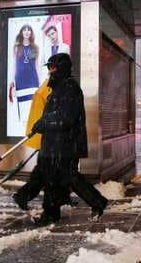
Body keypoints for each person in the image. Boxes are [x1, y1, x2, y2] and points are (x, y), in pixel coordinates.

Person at [30, 53, 108, 225]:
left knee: (67, 177)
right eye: (49, 67)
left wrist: (44, 123)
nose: (50, 71)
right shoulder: (58, 87)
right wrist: (42, 123)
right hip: (57, 143)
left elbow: (66, 117)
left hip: (66, 143)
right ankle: (52, 213)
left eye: (53, 67)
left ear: (62, 68)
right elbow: (54, 114)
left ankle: (95, 202)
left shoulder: (69, 88)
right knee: (56, 178)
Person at [12, 79, 72, 213]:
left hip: (48, 134)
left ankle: (62, 196)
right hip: (47, 135)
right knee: (44, 170)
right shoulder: (50, 88)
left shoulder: (51, 86)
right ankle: (23, 196)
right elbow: (52, 114)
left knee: (56, 168)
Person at [9, 24, 40, 122]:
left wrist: (40, 81)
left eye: (29, 30)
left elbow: (36, 65)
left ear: (31, 33)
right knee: (22, 105)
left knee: (32, 103)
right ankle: (23, 125)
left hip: (32, 79)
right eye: (24, 30)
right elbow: (14, 65)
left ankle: (32, 124)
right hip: (20, 80)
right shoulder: (17, 47)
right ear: (21, 32)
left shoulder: (34, 47)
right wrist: (12, 80)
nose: (27, 32)